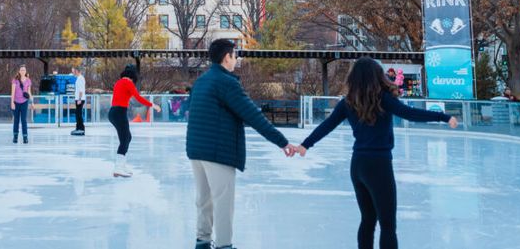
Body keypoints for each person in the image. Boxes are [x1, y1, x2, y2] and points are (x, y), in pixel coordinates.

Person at [295, 57, 458, 249]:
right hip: (378, 166)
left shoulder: (347, 102)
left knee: (368, 220)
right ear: (376, 76)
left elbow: (327, 125)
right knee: (387, 225)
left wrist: (306, 145)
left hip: (358, 166)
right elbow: (410, 113)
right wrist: (443, 117)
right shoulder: (384, 99)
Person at [186, 39, 295, 249]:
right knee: (222, 203)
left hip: (197, 150)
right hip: (217, 151)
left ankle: (202, 241)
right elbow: (253, 115)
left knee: (204, 200)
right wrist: (282, 142)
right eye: (235, 55)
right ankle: (225, 245)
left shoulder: (202, 80)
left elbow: (193, 110)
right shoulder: (226, 82)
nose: (236, 60)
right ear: (227, 56)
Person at [109, 64, 161, 178]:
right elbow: (138, 98)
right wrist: (153, 105)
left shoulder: (118, 82)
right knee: (125, 139)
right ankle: (118, 167)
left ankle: (121, 165)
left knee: (127, 138)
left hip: (113, 112)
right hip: (119, 112)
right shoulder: (128, 83)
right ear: (133, 76)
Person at [11, 65, 32, 143]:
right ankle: (15, 137)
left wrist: (31, 102)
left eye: (24, 70)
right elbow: (12, 93)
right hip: (16, 102)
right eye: (21, 70)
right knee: (16, 120)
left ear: (26, 71)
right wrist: (12, 103)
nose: (23, 71)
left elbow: (29, 92)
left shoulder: (28, 80)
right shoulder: (15, 80)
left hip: (24, 102)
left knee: (24, 120)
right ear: (19, 71)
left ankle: (25, 137)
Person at [71, 66, 86, 136]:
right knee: (77, 113)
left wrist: (79, 99)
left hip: (80, 99)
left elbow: (81, 90)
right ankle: (78, 128)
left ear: (77, 71)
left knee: (79, 114)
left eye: (73, 71)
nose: (73, 73)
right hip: (78, 98)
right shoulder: (78, 78)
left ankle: (81, 128)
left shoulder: (80, 78)